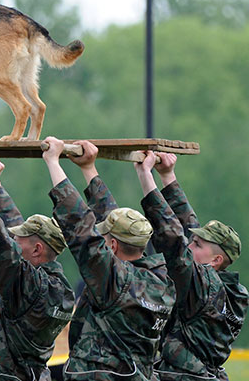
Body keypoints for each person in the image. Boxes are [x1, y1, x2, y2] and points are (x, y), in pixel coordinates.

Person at [42, 136, 176, 380]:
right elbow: (112, 222)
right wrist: (88, 168)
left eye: (104, 240)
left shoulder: (113, 281)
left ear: (112, 245)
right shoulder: (162, 279)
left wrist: (53, 162)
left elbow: (80, 227)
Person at [0, 157, 75, 381]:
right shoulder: (60, 287)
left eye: (19, 240)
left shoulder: (29, 285)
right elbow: (12, 229)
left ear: (37, 249)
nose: (14, 242)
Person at [135, 151, 249, 380]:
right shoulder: (232, 289)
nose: (190, 246)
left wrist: (145, 176)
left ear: (215, 260)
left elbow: (175, 241)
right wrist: (168, 175)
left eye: (197, 245)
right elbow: (187, 230)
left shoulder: (204, 288)